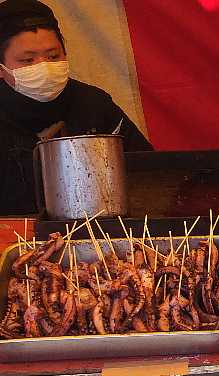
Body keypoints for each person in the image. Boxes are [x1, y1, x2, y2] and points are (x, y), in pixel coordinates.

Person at [0, 0, 152, 215]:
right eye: (28, 60)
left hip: (94, 226)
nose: (44, 67)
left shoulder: (94, 104)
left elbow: (149, 174)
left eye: (53, 56)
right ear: (2, 68)